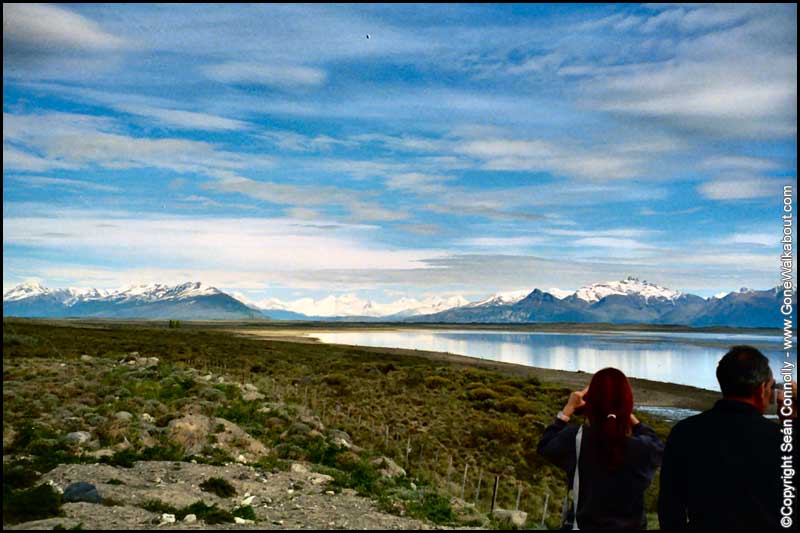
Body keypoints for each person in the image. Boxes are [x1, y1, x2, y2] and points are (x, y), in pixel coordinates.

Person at [658, 345, 796, 530]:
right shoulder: (779, 440)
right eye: (771, 387)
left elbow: (670, 506)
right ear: (762, 388)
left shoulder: (684, 432)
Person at [538, 367, 664, 529]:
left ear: (591, 404)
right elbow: (657, 445)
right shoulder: (643, 448)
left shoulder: (576, 439)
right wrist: (624, 412)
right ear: (627, 403)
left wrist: (567, 410)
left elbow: (545, 446)